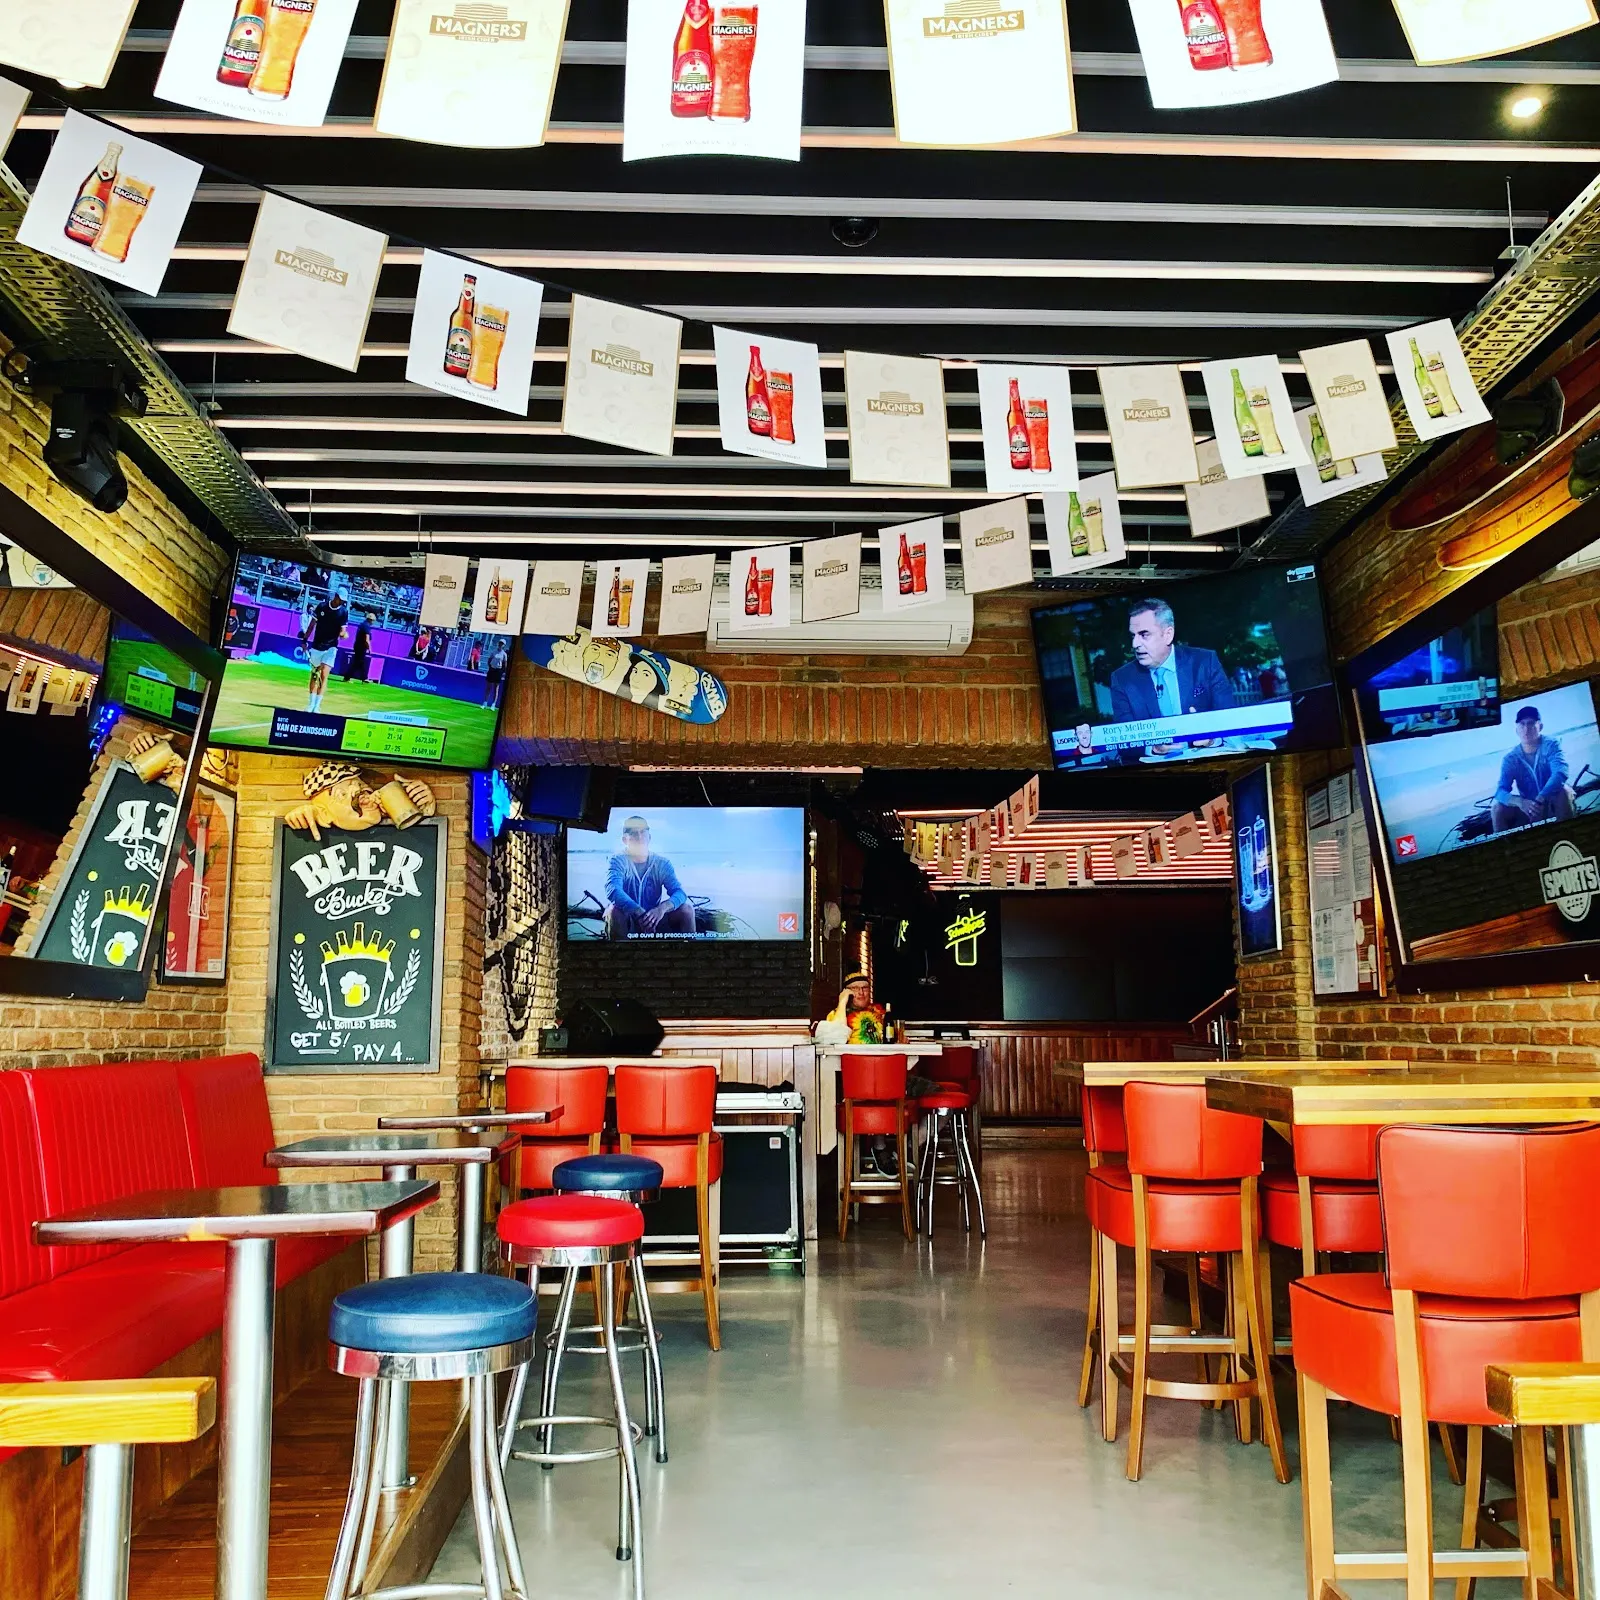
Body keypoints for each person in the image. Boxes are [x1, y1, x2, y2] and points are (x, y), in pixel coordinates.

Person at [1076, 597, 1235, 761]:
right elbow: (1123, 743)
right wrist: (1153, 748)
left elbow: (1232, 722)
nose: (1135, 644)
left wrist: (1212, 739)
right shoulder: (1122, 679)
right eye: (1133, 636)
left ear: (1168, 635)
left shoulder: (1205, 662)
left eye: (1144, 634)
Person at [603, 816, 696, 939]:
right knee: (613, 911)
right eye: (633, 833)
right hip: (628, 918)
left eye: (643, 832)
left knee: (687, 909)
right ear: (625, 840)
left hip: (654, 919)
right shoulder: (618, 861)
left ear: (649, 837)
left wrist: (661, 909)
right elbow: (613, 890)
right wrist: (637, 911)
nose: (639, 836)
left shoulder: (662, 863)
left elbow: (680, 893)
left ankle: (689, 949)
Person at [1493, 705, 1574, 831]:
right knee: (1497, 808)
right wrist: (1520, 802)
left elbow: (1560, 773)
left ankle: (1568, 833)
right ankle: (1503, 843)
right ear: (1516, 730)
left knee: (1564, 791)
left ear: (1540, 726)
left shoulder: (1551, 745)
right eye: (1522, 724)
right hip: (1529, 809)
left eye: (1531, 723)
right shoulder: (1510, 759)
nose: (1526, 729)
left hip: (1552, 801)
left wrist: (1541, 798)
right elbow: (1500, 792)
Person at [299, 585, 348, 713]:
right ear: (335, 596)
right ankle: (311, 704)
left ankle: (317, 706)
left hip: (332, 647)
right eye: (340, 599)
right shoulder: (322, 606)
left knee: (324, 675)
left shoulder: (344, 612)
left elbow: (343, 630)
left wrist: (343, 634)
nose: (341, 602)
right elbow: (311, 626)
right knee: (315, 675)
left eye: (343, 600)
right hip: (317, 645)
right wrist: (304, 640)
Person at [342, 611, 372, 682]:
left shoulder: (362, 624)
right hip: (361, 646)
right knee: (357, 662)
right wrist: (369, 648)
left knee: (360, 662)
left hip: (357, 645)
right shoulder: (367, 626)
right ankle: (347, 677)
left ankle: (364, 678)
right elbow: (367, 639)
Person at [484, 642, 508, 708]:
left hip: (498, 670)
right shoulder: (494, 651)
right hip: (492, 669)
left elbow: (505, 664)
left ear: (504, 645)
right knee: (488, 687)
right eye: (500, 643)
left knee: (496, 688)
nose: (500, 645)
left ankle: (493, 704)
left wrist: (503, 672)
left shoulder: (504, 654)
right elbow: (489, 660)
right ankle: (485, 703)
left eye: (502, 644)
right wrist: (490, 667)